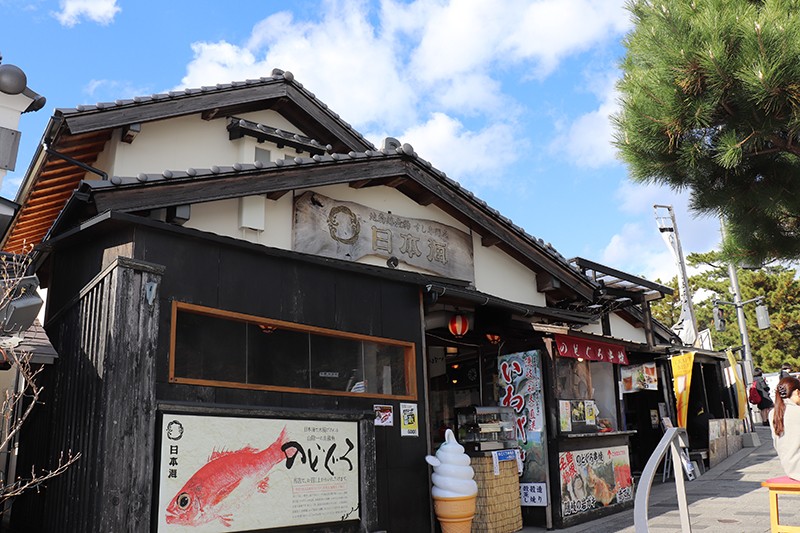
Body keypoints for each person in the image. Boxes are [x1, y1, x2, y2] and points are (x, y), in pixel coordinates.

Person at [769, 376, 800, 480]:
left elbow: (776, 444)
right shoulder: (797, 411)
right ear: (797, 392)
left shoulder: (773, 413)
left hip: (789, 467)